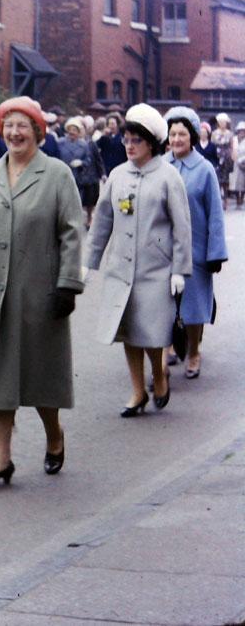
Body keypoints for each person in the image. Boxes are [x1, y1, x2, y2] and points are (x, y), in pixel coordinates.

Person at [0, 96, 84, 491]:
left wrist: (68, 284)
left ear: (38, 132)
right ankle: (1, 461)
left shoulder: (57, 174)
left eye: (23, 125)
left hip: (40, 294)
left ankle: (54, 434)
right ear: (0, 130)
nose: (15, 132)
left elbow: (71, 233)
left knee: (41, 375)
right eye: (8, 125)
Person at [86, 104, 192, 417]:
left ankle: (159, 375)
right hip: (121, 269)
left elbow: (181, 227)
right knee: (128, 330)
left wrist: (180, 270)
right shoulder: (118, 176)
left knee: (152, 330)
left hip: (155, 270)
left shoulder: (168, 176)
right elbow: (102, 222)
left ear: (152, 144)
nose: (130, 147)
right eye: (126, 141)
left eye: (137, 141)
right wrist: (89, 263)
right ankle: (136, 391)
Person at [163, 106, 228, 379]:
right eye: (172, 134)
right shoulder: (161, 165)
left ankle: (194, 352)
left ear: (192, 136)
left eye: (182, 134)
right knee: (163, 302)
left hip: (197, 249)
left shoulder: (204, 170)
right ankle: (168, 348)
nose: (177, 139)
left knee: (194, 303)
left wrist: (216, 253)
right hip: (164, 248)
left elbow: (215, 214)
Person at [59, 117, 99, 227]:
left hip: (78, 177)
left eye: (75, 130)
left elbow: (89, 160)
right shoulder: (60, 143)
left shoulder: (84, 145)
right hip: (62, 175)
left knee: (76, 201)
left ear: (78, 132)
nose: (72, 132)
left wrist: (81, 162)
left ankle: (73, 223)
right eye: (70, 130)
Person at [212, 113, 234, 209]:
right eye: (220, 122)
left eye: (224, 122)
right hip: (217, 157)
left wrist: (232, 156)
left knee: (226, 181)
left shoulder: (230, 134)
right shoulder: (214, 133)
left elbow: (232, 146)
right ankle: (217, 201)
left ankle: (226, 200)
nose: (222, 124)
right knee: (217, 180)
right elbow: (212, 146)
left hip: (227, 158)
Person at [97, 111, 127, 176]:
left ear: (117, 124)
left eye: (113, 124)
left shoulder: (122, 137)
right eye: (109, 124)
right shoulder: (104, 137)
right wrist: (103, 136)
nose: (111, 126)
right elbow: (96, 147)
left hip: (119, 168)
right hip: (106, 169)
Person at [229, 121, 245, 209]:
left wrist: (241, 160)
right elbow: (231, 149)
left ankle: (241, 200)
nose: (242, 132)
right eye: (240, 131)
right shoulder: (234, 139)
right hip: (234, 163)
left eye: (243, 131)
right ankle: (237, 199)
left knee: (242, 183)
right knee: (234, 183)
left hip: (243, 164)